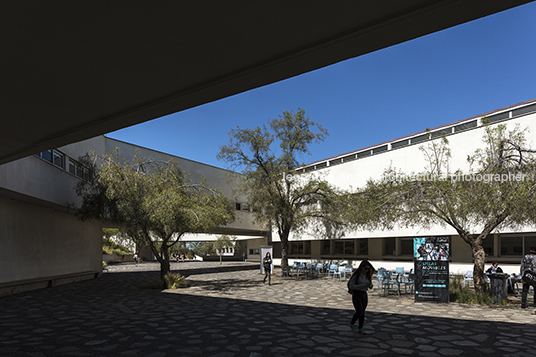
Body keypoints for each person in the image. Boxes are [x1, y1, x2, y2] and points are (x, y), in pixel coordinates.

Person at [347, 260, 375, 335]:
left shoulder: (367, 276)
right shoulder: (356, 276)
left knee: (363, 312)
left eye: (368, 269)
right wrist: (362, 285)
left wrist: (369, 285)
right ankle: (352, 323)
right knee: (359, 311)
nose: (366, 270)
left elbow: (371, 286)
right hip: (357, 294)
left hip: (364, 294)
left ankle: (361, 327)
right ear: (361, 268)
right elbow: (351, 286)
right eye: (365, 269)